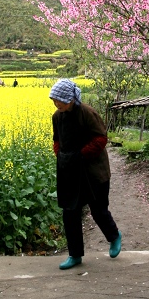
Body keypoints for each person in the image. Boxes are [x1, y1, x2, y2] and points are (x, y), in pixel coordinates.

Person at [49, 78, 121, 270]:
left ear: (71, 98)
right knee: (70, 213)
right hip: (70, 172)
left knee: (98, 210)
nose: (57, 104)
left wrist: (80, 155)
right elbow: (57, 140)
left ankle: (114, 236)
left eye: (60, 100)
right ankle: (75, 255)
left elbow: (101, 138)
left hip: (93, 172)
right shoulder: (57, 117)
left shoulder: (87, 113)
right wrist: (62, 156)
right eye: (54, 101)